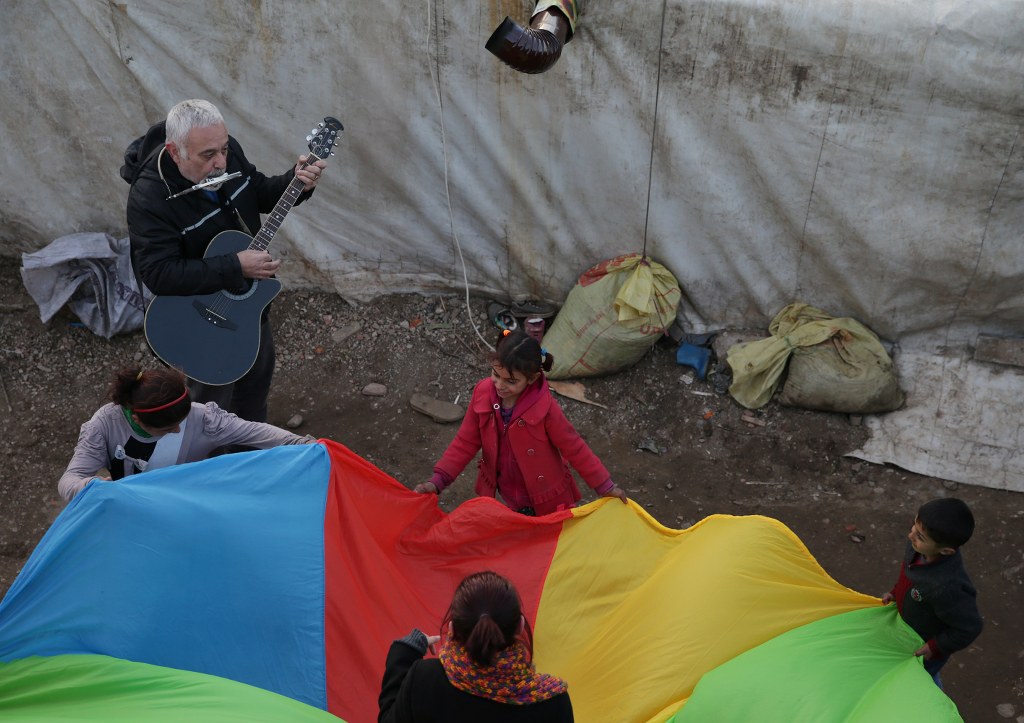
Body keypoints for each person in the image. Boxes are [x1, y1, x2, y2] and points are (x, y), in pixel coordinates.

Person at [120, 98, 327, 423]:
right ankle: (210, 454)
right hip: (196, 321)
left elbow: (257, 192)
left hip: (246, 306)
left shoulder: (224, 154)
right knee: (210, 413)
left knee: (253, 394)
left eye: (224, 149)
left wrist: (296, 182)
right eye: (208, 155)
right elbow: (159, 274)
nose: (220, 162)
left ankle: (251, 448)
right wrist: (236, 265)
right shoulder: (149, 198)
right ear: (175, 153)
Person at [415, 330, 626, 515]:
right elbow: (465, 441)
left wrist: (605, 486)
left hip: (546, 496)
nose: (499, 385)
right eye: (495, 375)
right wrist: (438, 481)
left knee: (550, 542)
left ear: (531, 379)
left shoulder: (545, 408)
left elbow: (574, 447)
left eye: (511, 381)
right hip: (507, 491)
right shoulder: (482, 393)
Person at [58, 366, 316, 501]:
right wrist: (89, 486)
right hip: (134, 516)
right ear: (136, 419)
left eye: (181, 421)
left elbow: (256, 432)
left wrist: (302, 443)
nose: (178, 430)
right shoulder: (104, 425)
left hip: (191, 506)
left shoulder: (202, 418)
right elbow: (69, 480)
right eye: (167, 429)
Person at [378, 571, 573, 721]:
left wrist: (405, 652)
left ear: (452, 628)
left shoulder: (425, 680)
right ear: (520, 625)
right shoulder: (553, 702)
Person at [881, 497, 983, 688]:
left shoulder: (947, 588)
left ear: (945, 551)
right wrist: (895, 593)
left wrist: (935, 647)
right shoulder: (917, 548)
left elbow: (970, 627)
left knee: (924, 680)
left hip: (925, 651)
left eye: (920, 537)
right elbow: (909, 576)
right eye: (914, 525)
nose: (910, 535)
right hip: (908, 633)